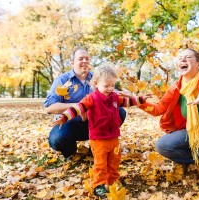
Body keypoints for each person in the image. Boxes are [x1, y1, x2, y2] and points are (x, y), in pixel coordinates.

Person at [138, 48, 199, 188]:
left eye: (188, 57)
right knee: (163, 145)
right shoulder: (176, 87)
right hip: (192, 134)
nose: (182, 60)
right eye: (180, 58)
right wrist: (140, 103)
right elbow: (159, 108)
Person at [52, 64, 150, 198]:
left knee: (115, 160)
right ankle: (98, 185)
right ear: (96, 83)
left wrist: (140, 99)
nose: (110, 89)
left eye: (112, 85)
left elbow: (127, 102)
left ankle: (112, 181)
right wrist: (64, 117)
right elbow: (77, 108)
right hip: (98, 139)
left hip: (114, 137)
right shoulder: (92, 98)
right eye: (106, 86)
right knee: (100, 163)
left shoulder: (114, 97)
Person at [44, 47, 126, 159]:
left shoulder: (97, 78)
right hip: (69, 123)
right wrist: (78, 108)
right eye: (80, 58)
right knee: (57, 139)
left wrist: (126, 94)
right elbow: (49, 107)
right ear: (72, 62)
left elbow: (112, 95)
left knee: (120, 111)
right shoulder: (62, 81)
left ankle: (100, 147)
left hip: (96, 123)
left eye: (87, 59)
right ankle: (71, 151)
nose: (84, 61)